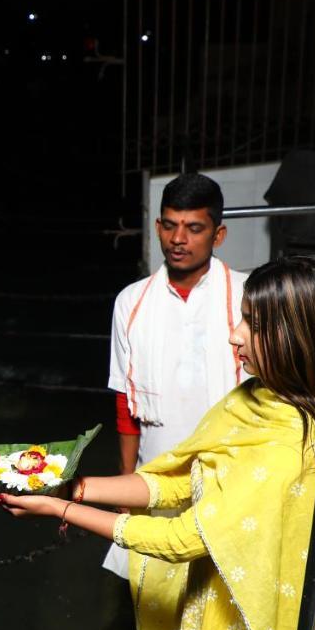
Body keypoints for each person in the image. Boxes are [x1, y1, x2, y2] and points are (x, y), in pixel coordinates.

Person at [0, 256, 315, 630]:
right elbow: (176, 479)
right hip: (209, 605)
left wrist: (60, 509)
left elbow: (185, 539)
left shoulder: (291, 440)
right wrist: (73, 485)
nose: (235, 335)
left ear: (296, 336)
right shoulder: (254, 400)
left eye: (253, 323)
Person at [104, 172, 249, 582]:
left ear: (218, 235)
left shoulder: (247, 296)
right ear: (157, 227)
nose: (178, 239)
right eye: (169, 225)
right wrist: (125, 487)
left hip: (230, 477)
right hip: (156, 480)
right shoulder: (132, 303)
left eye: (194, 228)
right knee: (151, 594)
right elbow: (125, 403)